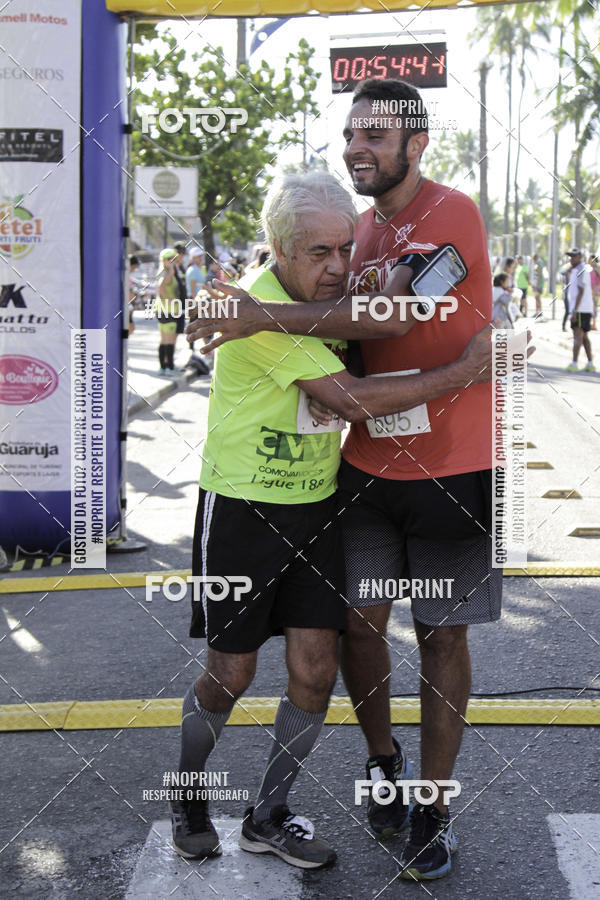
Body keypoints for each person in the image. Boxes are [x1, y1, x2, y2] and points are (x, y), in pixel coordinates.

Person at [186, 78, 523, 882]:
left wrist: (250, 314)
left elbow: (392, 318)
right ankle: (382, 765)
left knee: (443, 637)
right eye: (350, 134)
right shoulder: (354, 228)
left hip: (457, 467)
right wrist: (252, 309)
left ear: (416, 143)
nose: (356, 148)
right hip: (364, 468)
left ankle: (434, 811)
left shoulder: (453, 216)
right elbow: (330, 331)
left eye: (376, 135)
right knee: (356, 633)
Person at [565, 248, 595, 372]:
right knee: (584, 337)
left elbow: (581, 291)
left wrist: (575, 311)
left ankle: (574, 363)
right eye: (570, 256)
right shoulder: (574, 270)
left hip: (581, 309)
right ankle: (590, 363)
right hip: (581, 308)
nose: (571, 259)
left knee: (577, 335)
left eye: (574, 256)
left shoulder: (581, 270)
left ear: (580, 257)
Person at [155, 248, 181, 376]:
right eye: (169, 259)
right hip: (169, 311)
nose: (172, 261)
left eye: (173, 259)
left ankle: (163, 367)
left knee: (164, 339)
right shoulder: (167, 272)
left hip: (161, 310)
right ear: (163, 260)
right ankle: (169, 367)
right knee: (169, 340)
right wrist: (170, 300)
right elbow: (161, 287)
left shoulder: (162, 271)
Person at [588, 254, 599, 329]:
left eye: (591, 259)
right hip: (588, 290)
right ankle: (589, 323)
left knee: (594, 307)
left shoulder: (597, 268)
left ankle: (594, 324)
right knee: (589, 306)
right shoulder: (588, 268)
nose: (589, 260)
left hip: (595, 290)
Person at [531, 253, 544, 318]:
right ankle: (537, 311)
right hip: (536, 283)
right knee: (536, 298)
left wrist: (537, 285)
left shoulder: (538, 265)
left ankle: (539, 311)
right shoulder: (537, 264)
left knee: (537, 298)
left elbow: (539, 276)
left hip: (538, 284)